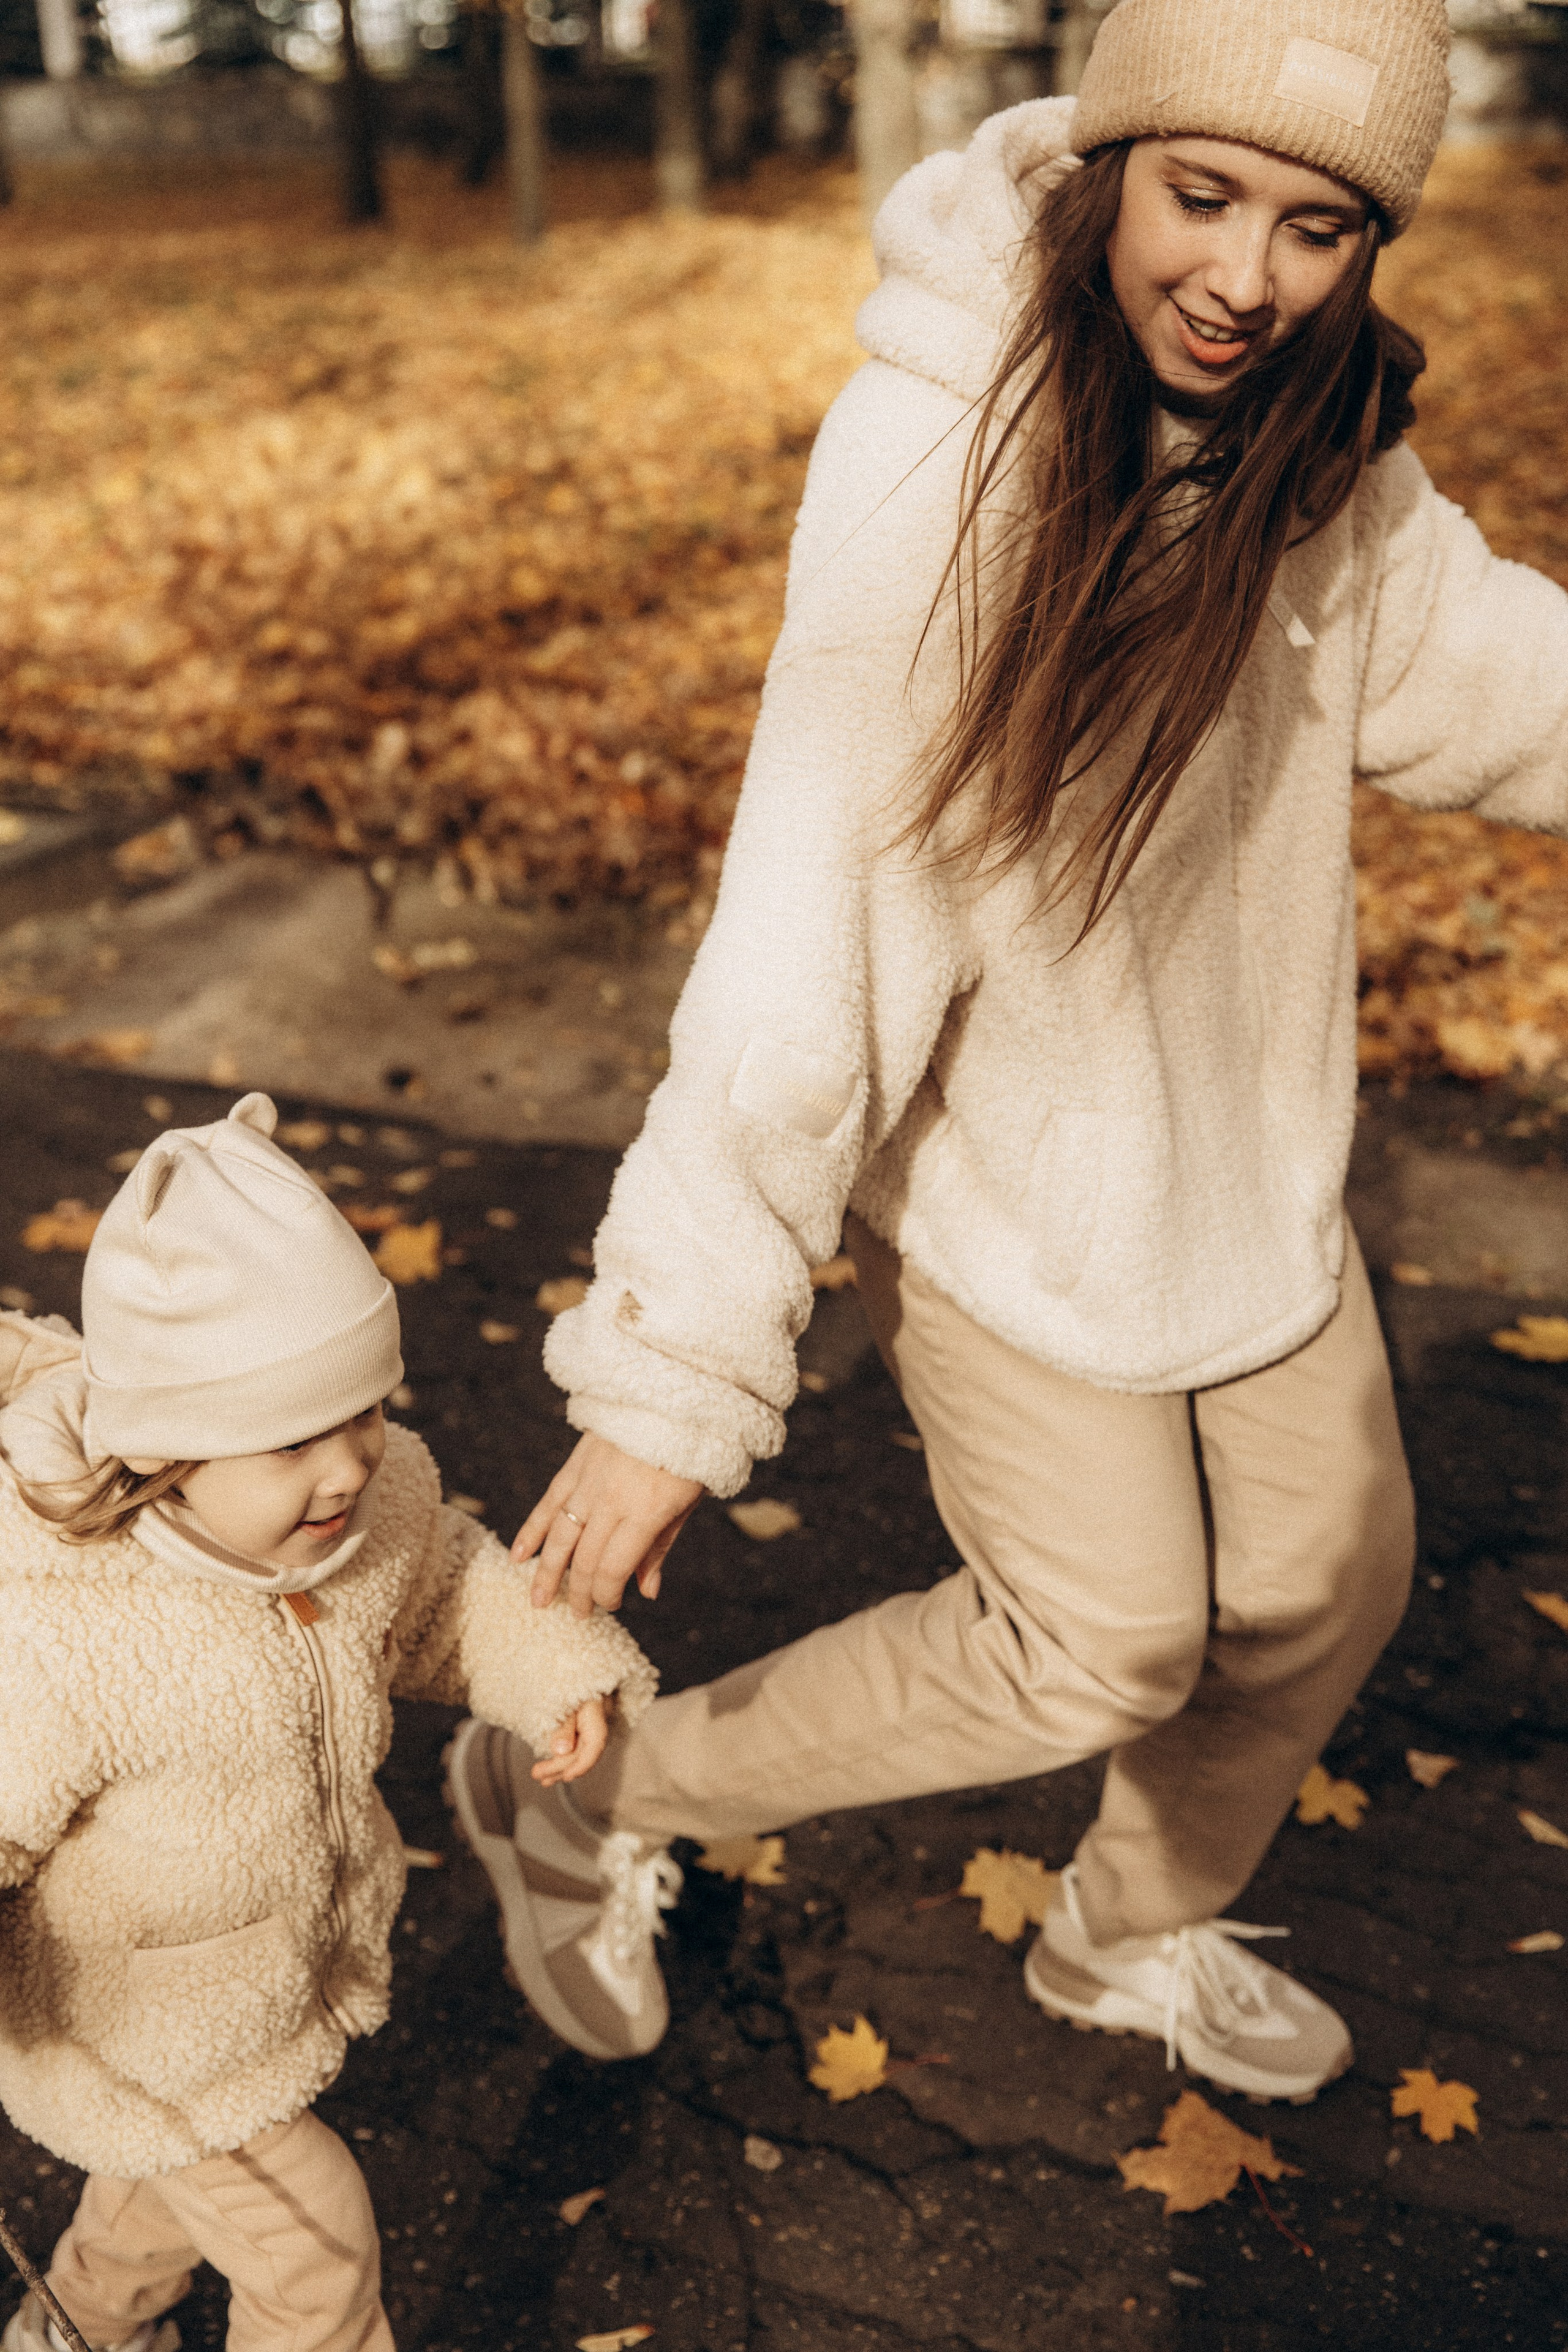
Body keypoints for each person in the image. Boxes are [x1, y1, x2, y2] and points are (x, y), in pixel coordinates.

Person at [448, 0, 1568, 2100]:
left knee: (1333, 1583)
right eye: (1204, 195)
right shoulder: (945, 459)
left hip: (1243, 1172)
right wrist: (675, 1379)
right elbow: (813, 933)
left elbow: (1489, 672)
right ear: (1115, 163)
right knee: (1111, 1634)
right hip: (1014, 1190)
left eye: (1319, 225)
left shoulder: (1316, 454)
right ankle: (592, 1795)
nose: (1244, 278)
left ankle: (1123, 1934)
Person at [0, 1094, 661, 2352]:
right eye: (293, 1440)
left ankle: (70, 2333)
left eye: (361, 1412)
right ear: (165, 1450)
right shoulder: (65, 1630)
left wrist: (554, 1668)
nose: (347, 1466)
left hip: (267, 1974)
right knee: (313, 2256)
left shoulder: (366, 1519)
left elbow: (453, 1596)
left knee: (163, 2204)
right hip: (144, 2022)